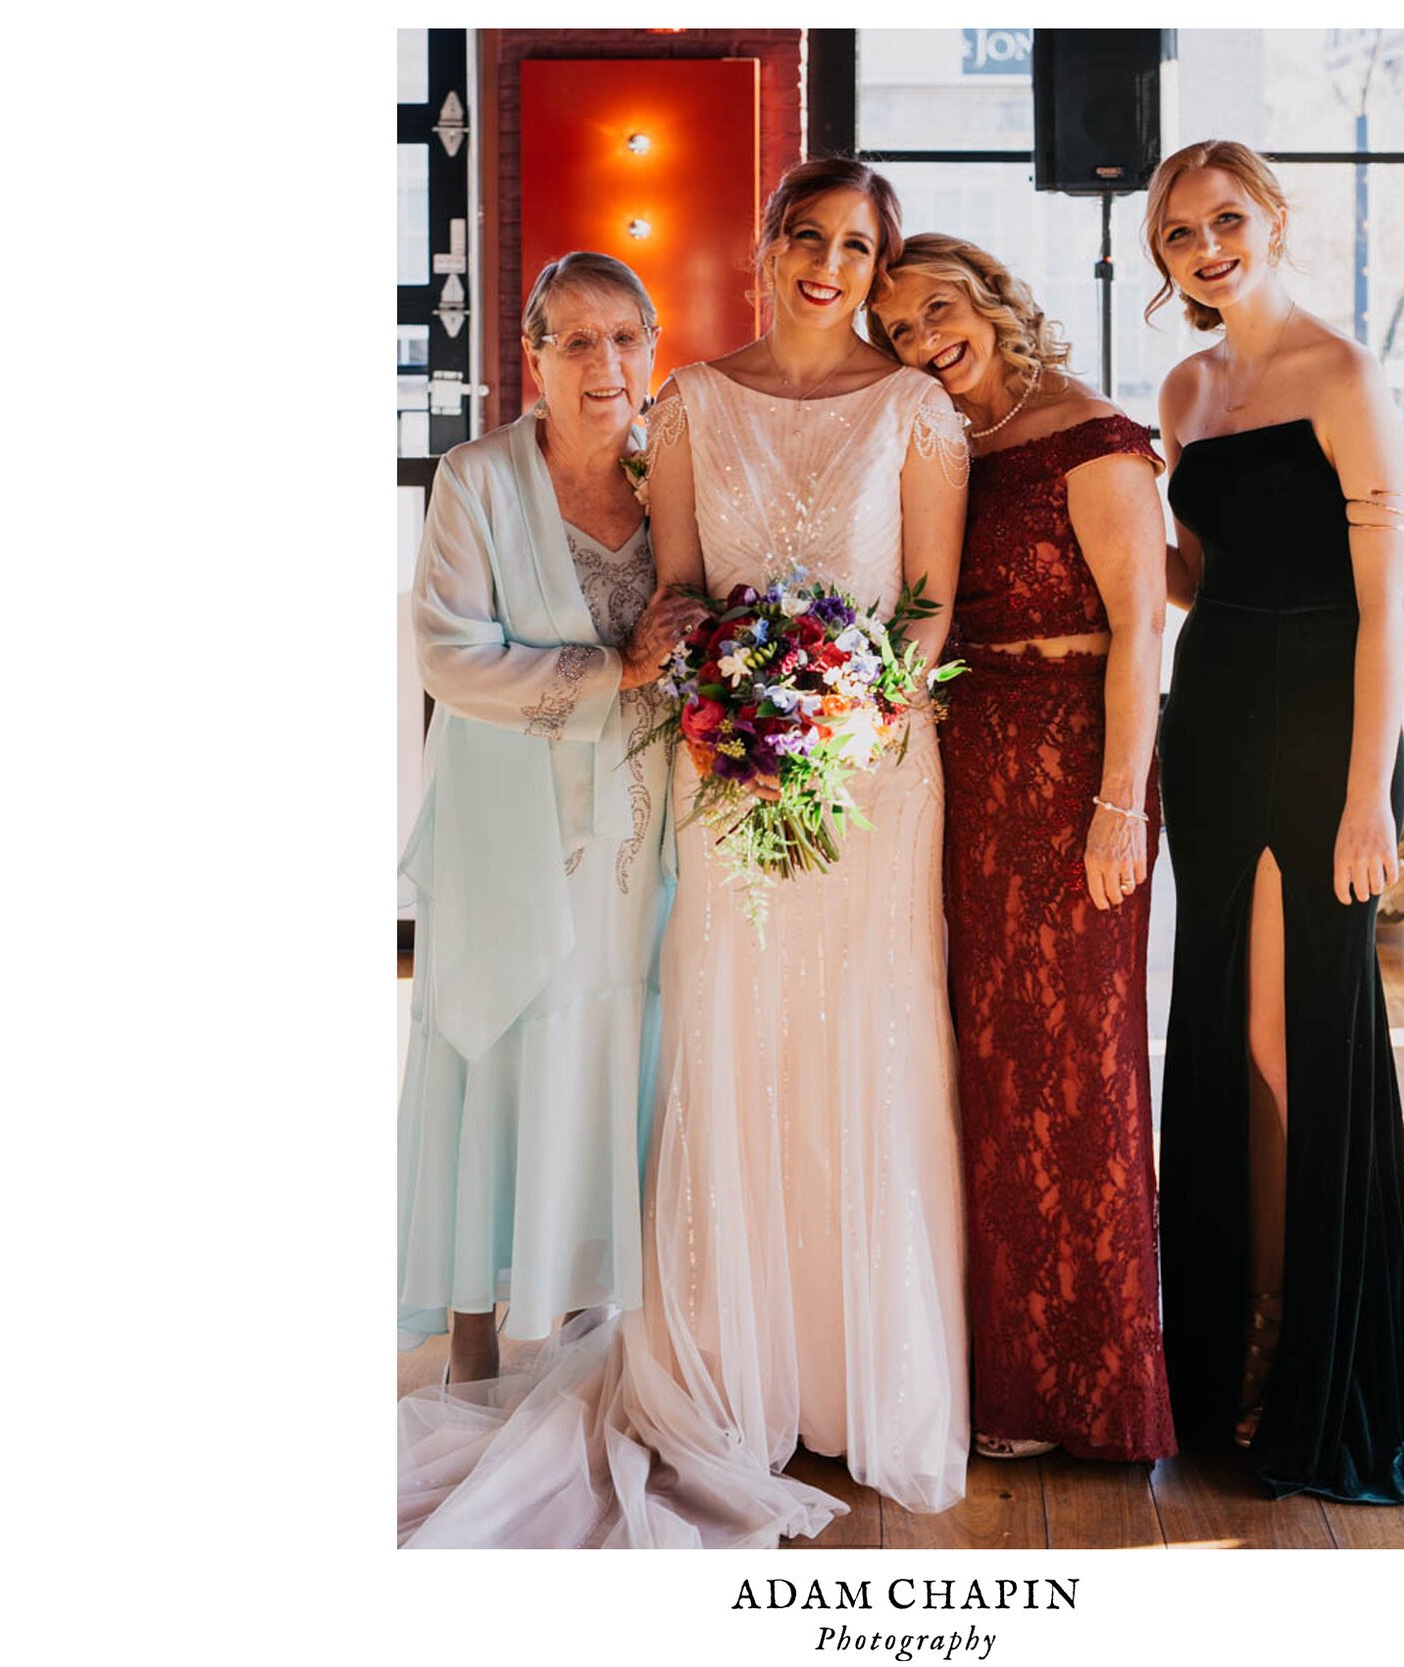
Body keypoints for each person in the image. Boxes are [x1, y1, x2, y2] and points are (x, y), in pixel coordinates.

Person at [396, 159, 972, 1547]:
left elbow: (932, 611)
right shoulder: (693, 407)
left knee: (868, 1050)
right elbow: (677, 606)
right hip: (726, 788)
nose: (826, 263)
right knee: (724, 1049)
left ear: (875, 267)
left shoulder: (917, 410)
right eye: (806, 235)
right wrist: (743, 718)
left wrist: (845, 714)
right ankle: (732, 1370)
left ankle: (861, 1374)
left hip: (875, 786)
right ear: (766, 245)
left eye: (854, 245)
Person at [869, 234, 1175, 1466]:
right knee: (985, 1076)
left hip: (1069, 774)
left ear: (993, 301)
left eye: (937, 308)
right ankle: (995, 1376)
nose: (922, 339)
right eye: (896, 330)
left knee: (1081, 1068)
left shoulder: (1092, 435)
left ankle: (1089, 1390)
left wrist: (1120, 805)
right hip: (964, 773)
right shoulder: (944, 443)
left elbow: (1142, 630)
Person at [1143, 139, 1404, 1503]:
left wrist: (1372, 787)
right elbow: (1204, 575)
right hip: (1214, 716)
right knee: (1222, 1043)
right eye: (1181, 229)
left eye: (1228, 219)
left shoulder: (1343, 373)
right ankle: (1236, 1357)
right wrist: (1139, 543)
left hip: (1327, 729)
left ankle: (1336, 1367)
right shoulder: (1187, 386)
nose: (1206, 244)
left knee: (1297, 1038)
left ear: (1275, 220)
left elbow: (1389, 595)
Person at [395, 252, 702, 1383]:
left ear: (654, 349)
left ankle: (595, 1318)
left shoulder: (680, 469)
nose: (604, 364)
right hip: (508, 829)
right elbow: (450, 655)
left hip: (644, 827)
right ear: (532, 358)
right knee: (501, 1036)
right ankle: (476, 1333)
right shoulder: (475, 477)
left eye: (625, 338)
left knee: (618, 1041)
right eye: (575, 341)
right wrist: (615, 671)